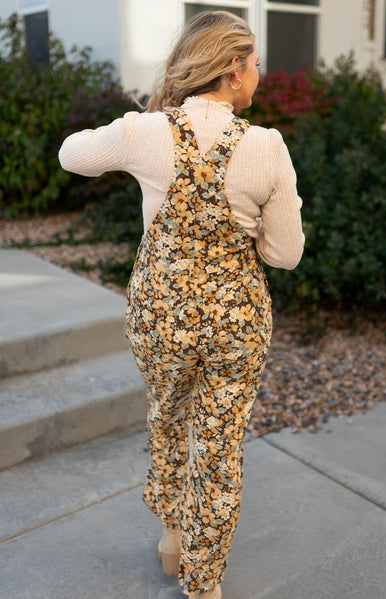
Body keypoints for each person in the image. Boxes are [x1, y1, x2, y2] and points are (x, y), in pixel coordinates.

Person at [58, 10, 304, 598]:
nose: (259, 76)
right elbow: (285, 255)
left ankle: (172, 539)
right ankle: (205, 586)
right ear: (232, 70)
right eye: (256, 65)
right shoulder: (267, 147)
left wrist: (143, 126)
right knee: (218, 446)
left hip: (161, 315)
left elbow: (71, 154)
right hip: (235, 319)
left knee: (167, 418)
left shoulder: (147, 132)